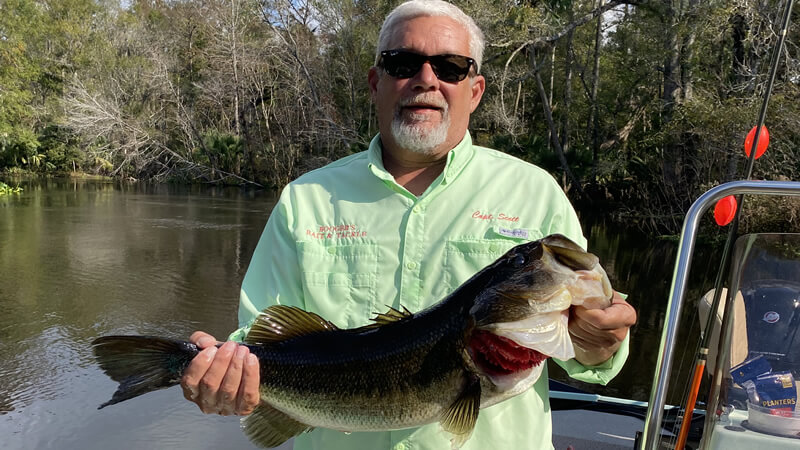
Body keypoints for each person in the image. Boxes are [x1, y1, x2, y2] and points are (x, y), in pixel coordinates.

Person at [180, 1, 637, 448]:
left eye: (451, 67)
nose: (426, 80)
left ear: (475, 90)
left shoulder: (536, 194)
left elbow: (589, 355)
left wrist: (599, 343)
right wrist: (226, 376)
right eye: (403, 63)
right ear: (376, 83)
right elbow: (261, 336)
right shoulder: (305, 200)